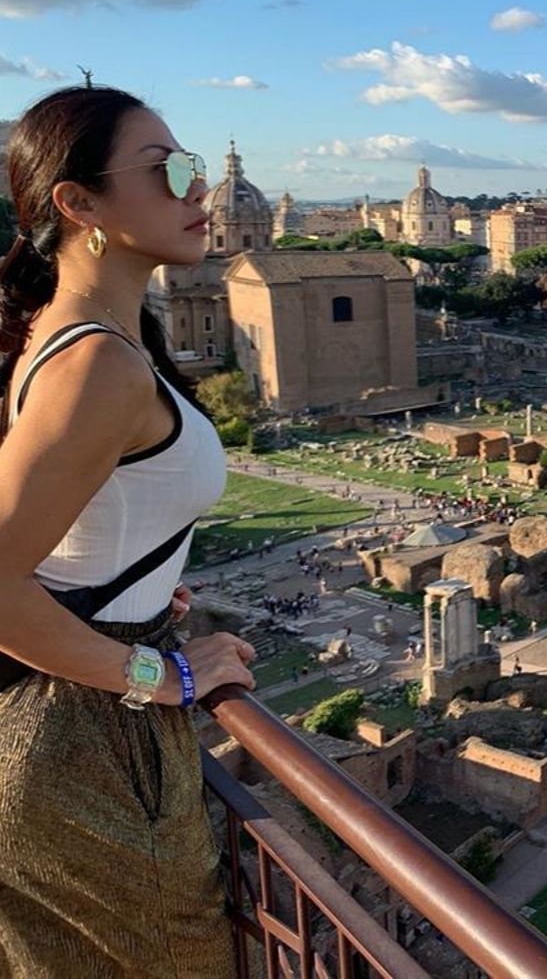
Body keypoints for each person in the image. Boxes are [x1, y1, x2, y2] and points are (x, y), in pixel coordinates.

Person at [0, 86, 258, 976]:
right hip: (84, 748)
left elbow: (78, 521)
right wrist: (161, 673)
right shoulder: (99, 363)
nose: (200, 192)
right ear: (80, 205)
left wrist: (140, 592)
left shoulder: (78, 334)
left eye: (195, 169)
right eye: (167, 172)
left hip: (76, 730)